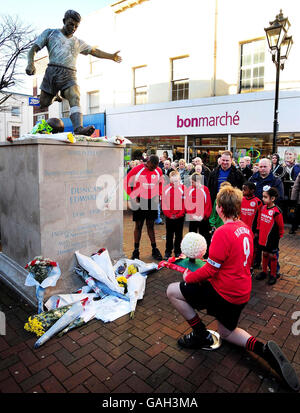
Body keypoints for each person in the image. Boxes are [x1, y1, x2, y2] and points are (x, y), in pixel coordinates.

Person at [166, 185, 299, 392]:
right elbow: (228, 262)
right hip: (241, 292)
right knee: (226, 333)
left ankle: (200, 334)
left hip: (224, 292)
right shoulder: (244, 227)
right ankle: (263, 350)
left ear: (219, 208)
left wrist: (189, 277)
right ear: (236, 207)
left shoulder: (221, 232)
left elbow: (210, 270)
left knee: (172, 291)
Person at [26, 10, 122, 136]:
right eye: (71, 24)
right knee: (44, 103)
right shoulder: (50, 33)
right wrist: (30, 63)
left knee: (75, 96)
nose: (73, 28)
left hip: (69, 74)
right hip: (52, 72)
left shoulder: (78, 42)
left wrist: (111, 56)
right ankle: (54, 96)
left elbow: (95, 51)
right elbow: (33, 49)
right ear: (64, 21)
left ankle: (78, 128)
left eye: (76, 26)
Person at [124, 155, 163, 261]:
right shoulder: (137, 169)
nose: (153, 169)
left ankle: (154, 248)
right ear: (148, 161)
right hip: (139, 200)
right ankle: (136, 250)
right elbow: (127, 182)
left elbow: (161, 184)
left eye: (155, 167)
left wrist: (159, 195)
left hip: (152, 200)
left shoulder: (158, 171)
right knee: (139, 225)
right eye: (151, 167)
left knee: (150, 225)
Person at [255, 187, 284, 285]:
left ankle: (273, 274)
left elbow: (281, 226)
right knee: (265, 253)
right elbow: (259, 220)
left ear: (272, 199)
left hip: (272, 238)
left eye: (265, 197)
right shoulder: (262, 208)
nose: (263, 199)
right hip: (263, 237)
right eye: (263, 196)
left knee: (272, 256)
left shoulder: (277, 211)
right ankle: (264, 272)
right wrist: (258, 231)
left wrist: (280, 235)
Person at [185, 173, 212, 257]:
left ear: (198, 181)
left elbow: (208, 204)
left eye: (193, 182)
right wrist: (192, 215)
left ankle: (206, 254)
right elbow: (187, 204)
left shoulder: (205, 189)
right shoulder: (189, 189)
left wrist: (204, 215)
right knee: (192, 236)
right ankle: (191, 254)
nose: (191, 184)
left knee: (204, 236)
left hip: (203, 218)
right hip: (193, 217)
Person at [161, 171, 185, 259]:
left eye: (177, 181)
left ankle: (178, 251)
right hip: (169, 217)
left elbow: (185, 203)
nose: (175, 183)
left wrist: (179, 214)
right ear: (170, 180)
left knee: (179, 235)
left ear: (179, 179)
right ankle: (168, 252)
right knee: (169, 235)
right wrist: (169, 214)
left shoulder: (183, 188)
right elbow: (164, 204)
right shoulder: (166, 189)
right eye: (173, 181)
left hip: (180, 217)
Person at [240, 182, 263, 274]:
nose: (243, 191)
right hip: (241, 230)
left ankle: (251, 267)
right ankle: (242, 264)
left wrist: (257, 231)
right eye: (242, 189)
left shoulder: (258, 202)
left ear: (252, 190)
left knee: (252, 249)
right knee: (242, 248)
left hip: (252, 231)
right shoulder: (241, 200)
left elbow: (259, 218)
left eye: (245, 189)